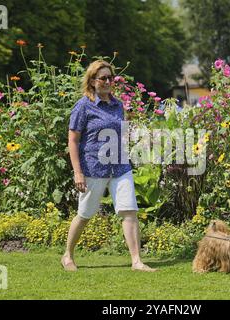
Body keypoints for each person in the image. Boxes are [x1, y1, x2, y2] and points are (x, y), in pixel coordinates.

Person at [61, 60, 156, 272]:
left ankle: (136, 261)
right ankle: (67, 255)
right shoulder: (83, 106)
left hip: (120, 167)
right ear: (92, 81)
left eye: (110, 78)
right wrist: (78, 172)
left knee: (129, 211)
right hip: (93, 167)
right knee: (85, 214)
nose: (107, 82)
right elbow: (73, 141)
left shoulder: (118, 105)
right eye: (102, 78)